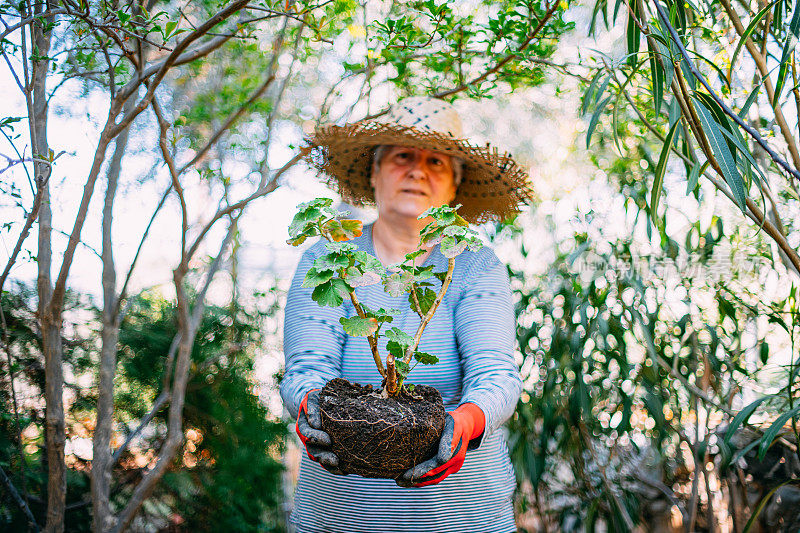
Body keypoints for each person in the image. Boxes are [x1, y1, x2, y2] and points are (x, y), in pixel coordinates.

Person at [281, 96, 532, 533]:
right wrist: (310, 408)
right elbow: (306, 370)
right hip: (341, 519)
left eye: (436, 161)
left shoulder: (476, 263)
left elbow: (496, 375)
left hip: (461, 518)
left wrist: (464, 424)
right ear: (374, 172)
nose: (417, 170)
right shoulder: (328, 258)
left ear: (454, 186)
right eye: (402, 156)